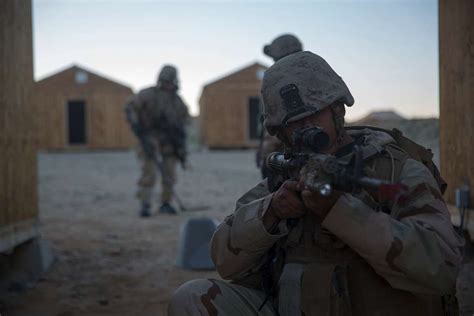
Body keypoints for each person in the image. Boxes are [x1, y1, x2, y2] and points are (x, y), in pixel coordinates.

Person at [168, 51, 464, 315]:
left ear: (338, 109)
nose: (305, 129)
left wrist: (341, 212)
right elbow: (225, 262)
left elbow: (442, 268)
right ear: (280, 131)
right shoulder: (285, 178)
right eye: (293, 123)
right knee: (193, 298)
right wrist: (272, 212)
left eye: (314, 115)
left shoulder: (395, 170)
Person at [125, 65, 189, 217]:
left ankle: (166, 203)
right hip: (149, 138)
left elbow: (184, 120)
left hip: (170, 142)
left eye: (170, 81)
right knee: (149, 172)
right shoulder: (147, 94)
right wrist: (138, 128)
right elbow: (130, 108)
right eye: (165, 81)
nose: (168, 84)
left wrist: (180, 144)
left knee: (170, 174)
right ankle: (145, 204)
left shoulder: (177, 101)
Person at [257, 34, 303, 178]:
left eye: (275, 58)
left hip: (284, 154)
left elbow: (275, 127)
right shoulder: (311, 76)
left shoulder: (281, 82)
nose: (273, 61)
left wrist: (265, 157)